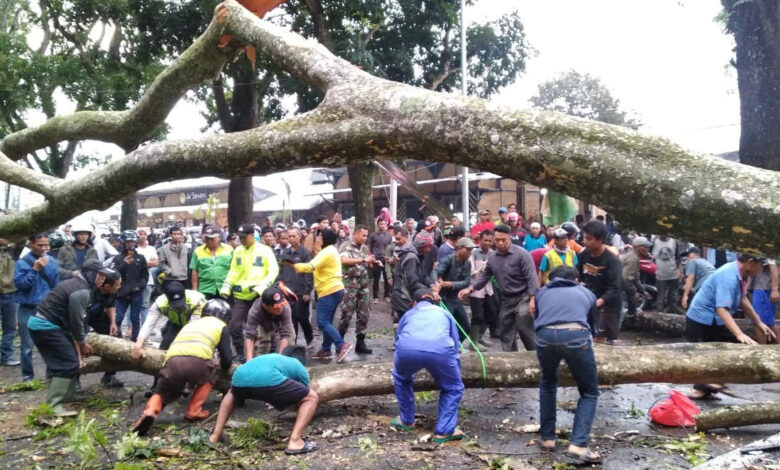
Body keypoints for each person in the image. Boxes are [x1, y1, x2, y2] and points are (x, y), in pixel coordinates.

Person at [28, 260, 119, 416]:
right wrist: (82, 343)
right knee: (67, 363)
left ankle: (68, 395)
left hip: (46, 324)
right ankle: (54, 406)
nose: (101, 280)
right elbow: (76, 320)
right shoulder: (81, 291)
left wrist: (77, 344)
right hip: (46, 325)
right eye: (99, 276)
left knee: (68, 360)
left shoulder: (78, 284)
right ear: (91, 275)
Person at [133, 299, 233, 436]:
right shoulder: (221, 326)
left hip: (172, 361)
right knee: (212, 374)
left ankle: (150, 411)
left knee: (163, 391)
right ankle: (194, 410)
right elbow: (227, 361)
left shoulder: (190, 325)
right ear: (225, 317)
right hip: (198, 363)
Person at [534, 266, 600, 464]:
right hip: (575, 335)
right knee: (589, 391)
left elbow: (538, 317)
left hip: (544, 336)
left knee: (547, 382)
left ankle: (547, 439)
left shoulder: (541, 292)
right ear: (576, 279)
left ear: (550, 279)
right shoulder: (586, 292)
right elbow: (591, 325)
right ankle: (578, 445)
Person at [686, 254, 776, 399]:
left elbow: (742, 298)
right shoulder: (728, 275)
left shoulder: (739, 274)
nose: (761, 270)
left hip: (714, 320)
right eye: (760, 266)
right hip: (701, 319)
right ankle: (706, 386)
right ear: (750, 263)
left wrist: (758, 322)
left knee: (718, 351)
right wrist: (739, 334)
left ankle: (705, 389)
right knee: (705, 354)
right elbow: (721, 308)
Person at [209, 345, 319, 455]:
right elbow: (303, 393)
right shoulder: (298, 364)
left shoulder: (273, 358)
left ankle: (215, 435)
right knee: (311, 398)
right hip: (269, 379)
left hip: (238, 378)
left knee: (231, 393)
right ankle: (295, 441)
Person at [392, 289, 465, 443]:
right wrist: (455, 370)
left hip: (407, 350)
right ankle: (444, 431)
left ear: (414, 302)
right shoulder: (443, 313)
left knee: (401, 378)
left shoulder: (409, 313)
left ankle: (406, 420)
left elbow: (398, 338)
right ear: (434, 301)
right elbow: (454, 342)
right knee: (453, 387)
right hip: (440, 351)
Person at [458, 224, 538, 351]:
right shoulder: (493, 257)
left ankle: (535, 355)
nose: (500, 243)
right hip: (506, 298)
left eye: (503, 240)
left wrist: (533, 299)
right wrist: (470, 289)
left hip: (523, 296)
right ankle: (511, 359)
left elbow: (532, 277)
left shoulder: (522, 254)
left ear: (510, 238)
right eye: (497, 240)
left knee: (523, 323)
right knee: (505, 329)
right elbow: (484, 277)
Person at [219, 223, 279, 363]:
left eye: (244, 237)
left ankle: (272, 351)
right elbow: (233, 271)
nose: (241, 240)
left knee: (266, 326)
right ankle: (242, 353)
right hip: (241, 296)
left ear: (252, 236)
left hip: (258, 295)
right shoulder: (238, 251)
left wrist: (261, 288)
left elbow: (273, 271)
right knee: (234, 325)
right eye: (240, 237)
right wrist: (226, 288)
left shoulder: (265, 250)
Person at [292, 228, 352, 362]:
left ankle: (342, 345)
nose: (317, 238)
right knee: (328, 321)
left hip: (329, 290)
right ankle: (325, 349)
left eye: (320, 236)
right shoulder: (329, 251)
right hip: (334, 289)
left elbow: (310, 266)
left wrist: (294, 266)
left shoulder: (327, 251)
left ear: (326, 239)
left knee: (322, 322)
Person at [14, 233, 60, 381]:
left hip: (47, 308)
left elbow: (55, 285)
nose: (44, 248)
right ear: (31, 244)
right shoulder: (22, 263)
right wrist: (35, 270)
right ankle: (28, 377)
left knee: (49, 343)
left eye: (46, 245)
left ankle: (51, 373)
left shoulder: (51, 261)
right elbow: (21, 285)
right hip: (27, 308)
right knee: (27, 346)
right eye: (40, 245)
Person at [577, 221, 622, 345]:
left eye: (589, 239)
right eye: (584, 237)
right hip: (588, 300)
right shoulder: (583, 255)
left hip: (607, 305)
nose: (584, 242)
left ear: (600, 240)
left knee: (599, 340)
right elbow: (577, 274)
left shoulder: (612, 260)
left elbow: (615, 287)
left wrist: (598, 302)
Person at [339, 225, 377, 354]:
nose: (365, 238)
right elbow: (343, 260)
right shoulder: (345, 246)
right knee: (346, 314)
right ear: (355, 234)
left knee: (364, 314)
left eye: (367, 236)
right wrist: (363, 259)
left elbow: (368, 262)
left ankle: (360, 343)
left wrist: (374, 262)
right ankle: (340, 343)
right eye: (363, 235)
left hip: (363, 285)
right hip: (350, 285)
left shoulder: (365, 248)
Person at [436, 238, 475, 346]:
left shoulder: (467, 263)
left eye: (471, 250)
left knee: (466, 327)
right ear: (459, 248)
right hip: (444, 298)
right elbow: (436, 272)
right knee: (447, 326)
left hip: (456, 299)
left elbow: (467, 281)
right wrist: (439, 280)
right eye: (468, 249)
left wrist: (452, 284)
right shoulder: (448, 260)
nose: (470, 252)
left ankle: (454, 346)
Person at [111, 230, 149, 342]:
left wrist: (139, 287)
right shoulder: (117, 258)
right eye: (127, 242)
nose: (130, 244)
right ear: (123, 242)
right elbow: (113, 274)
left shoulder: (141, 258)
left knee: (135, 318)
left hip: (136, 293)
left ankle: (134, 340)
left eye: (132, 241)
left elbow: (145, 275)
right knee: (118, 318)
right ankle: (117, 339)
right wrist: (123, 264)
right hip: (121, 293)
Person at [279, 227, 314, 348]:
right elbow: (281, 271)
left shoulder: (305, 253)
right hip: (288, 291)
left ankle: (310, 339)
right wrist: (281, 286)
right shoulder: (285, 253)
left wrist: (307, 290)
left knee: (302, 317)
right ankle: (293, 342)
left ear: (300, 236)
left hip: (301, 291)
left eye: (294, 236)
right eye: (289, 236)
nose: (291, 238)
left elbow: (309, 272)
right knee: (291, 318)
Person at [391, 229, 434, 321]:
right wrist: (429, 292)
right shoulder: (411, 258)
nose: (430, 249)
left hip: (406, 296)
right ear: (422, 245)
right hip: (403, 297)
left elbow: (423, 275)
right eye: (428, 246)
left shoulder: (418, 256)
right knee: (404, 325)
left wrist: (432, 285)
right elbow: (412, 281)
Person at [244, 286, 295, 359]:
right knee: (265, 346)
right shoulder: (255, 310)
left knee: (289, 340)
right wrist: (249, 362)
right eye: (276, 307)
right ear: (265, 306)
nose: (280, 308)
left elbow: (286, 333)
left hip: (281, 323)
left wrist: (280, 360)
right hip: (264, 323)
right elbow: (249, 336)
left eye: (281, 304)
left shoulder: (285, 307)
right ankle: (261, 363)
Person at [469, 230, 498, 346]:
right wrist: (479, 271)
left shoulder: (493, 254)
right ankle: (473, 342)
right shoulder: (474, 253)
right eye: (485, 240)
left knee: (490, 313)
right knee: (477, 315)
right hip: (475, 289)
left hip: (489, 288)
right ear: (480, 240)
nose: (487, 243)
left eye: (490, 241)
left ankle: (480, 336)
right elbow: (470, 271)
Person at [190, 225, 233, 300]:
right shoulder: (197, 251)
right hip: (205, 290)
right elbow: (195, 271)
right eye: (207, 238)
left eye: (212, 239)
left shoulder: (229, 249)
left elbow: (234, 269)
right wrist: (195, 291)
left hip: (225, 289)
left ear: (219, 238)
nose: (209, 241)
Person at [748, 259, 779, 344]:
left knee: (761, 321)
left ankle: (762, 348)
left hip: (764, 288)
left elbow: (773, 267)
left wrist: (774, 289)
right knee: (762, 321)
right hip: (758, 287)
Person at [0, 238, 19, 366]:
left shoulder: (13, 251)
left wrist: (9, 240)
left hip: (11, 293)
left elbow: (23, 239)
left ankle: (6, 356)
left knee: (10, 327)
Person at [621, 237, 652, 317]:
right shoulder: (633, 259)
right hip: (619, 288)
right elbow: (626, 278)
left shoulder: (634, 257)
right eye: (644, 247)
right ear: (637, 247)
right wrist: (634, 292)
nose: (647, 249)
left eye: (648, 247)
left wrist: (642, 291)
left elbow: (635, 277)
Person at [652, 235, 682, 314]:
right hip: (661, 275)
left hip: (673, 274)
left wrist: (680, 271)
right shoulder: (655, 242)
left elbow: (678, 257)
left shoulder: (674, 242)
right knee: (660, 299)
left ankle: (672, 316)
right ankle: (659, 317)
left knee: (673, 298)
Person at [136, 230, 159, 327]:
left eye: (144, 234)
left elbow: (156, 263)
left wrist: (141, 263)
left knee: (145, 304)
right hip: (135, 280)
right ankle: (131, 326)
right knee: (133, 304)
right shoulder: (135, 249)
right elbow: (133, 264)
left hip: (148, 279)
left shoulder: (151, 249)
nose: (142, 236)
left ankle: (145, 327)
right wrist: (147, 263)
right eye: (140, 235)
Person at [369, 218, 392, 304]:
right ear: (378, 225)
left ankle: (387, 295)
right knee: (376, 279)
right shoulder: (373, 235)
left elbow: (391, 247)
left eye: (384, 224)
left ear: (386, 225)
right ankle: (375, 296)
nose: (382, 225)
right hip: (376, 259)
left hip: (386, 259)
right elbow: (370, 248)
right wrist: (371, 260)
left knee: (387, 278)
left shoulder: (389, 236)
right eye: (380, 224)